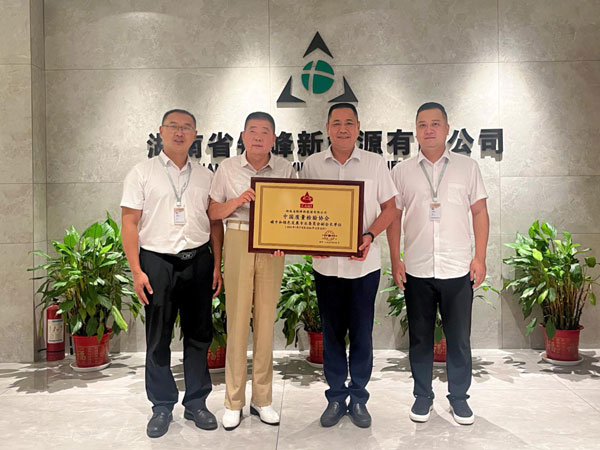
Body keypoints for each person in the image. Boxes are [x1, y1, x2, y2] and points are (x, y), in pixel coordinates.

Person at [121, 109, 223, 438]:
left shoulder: (206, 175)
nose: (180, 132)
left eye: (186, 127)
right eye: (173, 127)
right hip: (157, 262)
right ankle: (162, 405)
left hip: (198, 260)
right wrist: (137, 270)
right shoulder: (142, 173)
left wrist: (216, 265)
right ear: (161, 131)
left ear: (195, 134)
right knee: (158, 337)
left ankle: (196, 402)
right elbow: (129, 223)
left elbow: (214, 223)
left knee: (199, 335)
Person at [387, 102, 489, 425]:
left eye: (435, 124)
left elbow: (480, 212)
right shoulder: (401, 171)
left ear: (447, 129)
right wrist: (395, 259)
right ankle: (422, 397)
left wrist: (480, 257)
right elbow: (394, 218)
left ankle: (459, 398)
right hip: (417, 268)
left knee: (459, 339)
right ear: (415, 131)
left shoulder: (467, 168)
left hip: (457, 268)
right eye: (422, 125)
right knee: (419, 338)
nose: (428, 130)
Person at [300, 103, 398, 428]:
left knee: (361, 334)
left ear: (358, 128)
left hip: (364, 267)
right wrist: (311, 243)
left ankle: (358, 398)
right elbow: (301, 212)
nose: (342, 128)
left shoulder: (375, 163)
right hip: (326, 268)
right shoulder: (312, 165)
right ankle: (335, 397)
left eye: (349, 123)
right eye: (336, 123)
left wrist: (369, 235)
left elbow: (390, 208)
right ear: (327, 128)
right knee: (330, 334)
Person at [208, 111, 294, 431]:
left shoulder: (285, 169)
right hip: (238, 238)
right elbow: (213, 212)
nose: (258, 136)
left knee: (266, 322)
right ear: (243, 136)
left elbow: (295, 211)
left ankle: (262, 399)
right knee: (237, 322)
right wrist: (237, 201)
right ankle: (233, 402)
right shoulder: (227, 168)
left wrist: (285, 238)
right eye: (253, 130)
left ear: (274, 138)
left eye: (265, 131)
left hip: (272, 247)